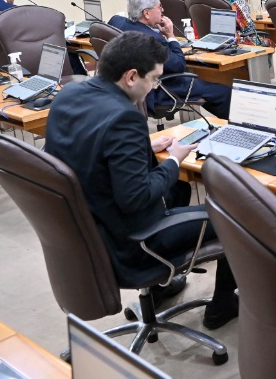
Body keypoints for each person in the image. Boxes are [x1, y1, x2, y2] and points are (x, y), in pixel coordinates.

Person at [44, 32, 238, 329]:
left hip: (89, 229)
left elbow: (87, 151)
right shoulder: (125, 117)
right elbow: (135, 198)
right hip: (130, 242)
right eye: (155, 79)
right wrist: (174, 159)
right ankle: (222, 304)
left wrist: (143, 149)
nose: (155, 87)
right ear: (132, 76)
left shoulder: (70, 94)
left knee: (179, 188)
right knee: (234, 216)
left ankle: (161, 287)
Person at [108, 0, 231, 119]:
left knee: (208, 90)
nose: (163, 10)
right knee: (223, 92)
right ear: (146, 13)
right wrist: (171, 36)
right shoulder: (152, 39)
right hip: (159, 90)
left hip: (128, 88)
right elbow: (178, 65)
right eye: (159, 6)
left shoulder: (116, 22)